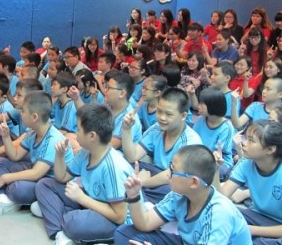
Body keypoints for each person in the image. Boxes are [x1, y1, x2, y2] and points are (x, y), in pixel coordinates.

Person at [34, 104, 135, 244]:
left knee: (74, 221)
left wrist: (81, 198)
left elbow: (119, 217)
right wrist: (59, 156)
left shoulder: (113, 166)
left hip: (115, 221)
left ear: (92, 136)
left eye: (78, 129)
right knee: (44, 185)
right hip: (91, 203)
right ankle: (60, 232)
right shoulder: (85, 153)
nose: (75, 133)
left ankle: (60, 217)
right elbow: (61, 178)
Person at [114, 145, 252, 245]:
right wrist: (134, 196)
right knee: (124, 233)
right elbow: (145, 224)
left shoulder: (219, 212)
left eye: (173, 170)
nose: (168, 174)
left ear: (193, 182)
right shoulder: (178, 195)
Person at [0, 91, 74, 218]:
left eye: (23, 111)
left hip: (50, 184)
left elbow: (36, 173)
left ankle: (5, 193)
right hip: (38, 175)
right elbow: (15, 156)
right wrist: (5, 136)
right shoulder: (32, 132)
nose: (21, 114)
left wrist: (5, 178)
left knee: (17, 188)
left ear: (35, 117)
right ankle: (4, 198)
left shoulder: (53, 139)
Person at [121, 87, 202, 204]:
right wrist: (126, 129)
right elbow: (132, 156)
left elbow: (170, 174)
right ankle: (141, 199)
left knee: (173, 192)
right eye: (159, 112)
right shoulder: (156, 129)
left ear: (183, 116)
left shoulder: (190, 141)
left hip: (175, 181)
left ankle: (142, 203)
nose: (162, 118)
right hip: (156, 173)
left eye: (168, 114)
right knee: (126, 165)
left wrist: (142, 182)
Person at [214, 120, 282, 244]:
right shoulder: (246, 163)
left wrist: (252, 230)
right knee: (218, 215)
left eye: (251, 140)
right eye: (245, 138)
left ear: (270, 149)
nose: (243, 143)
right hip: (255, 215)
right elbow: (220, 198)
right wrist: (215, 169)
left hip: (278, 225)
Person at [193, 87, 235, 180]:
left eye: (201, 104)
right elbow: (193, 140)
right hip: (200, 156)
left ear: (212, 106)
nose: (198, 106)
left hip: (219, 162)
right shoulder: (201, 120)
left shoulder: (226, 127)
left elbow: (219, 154)